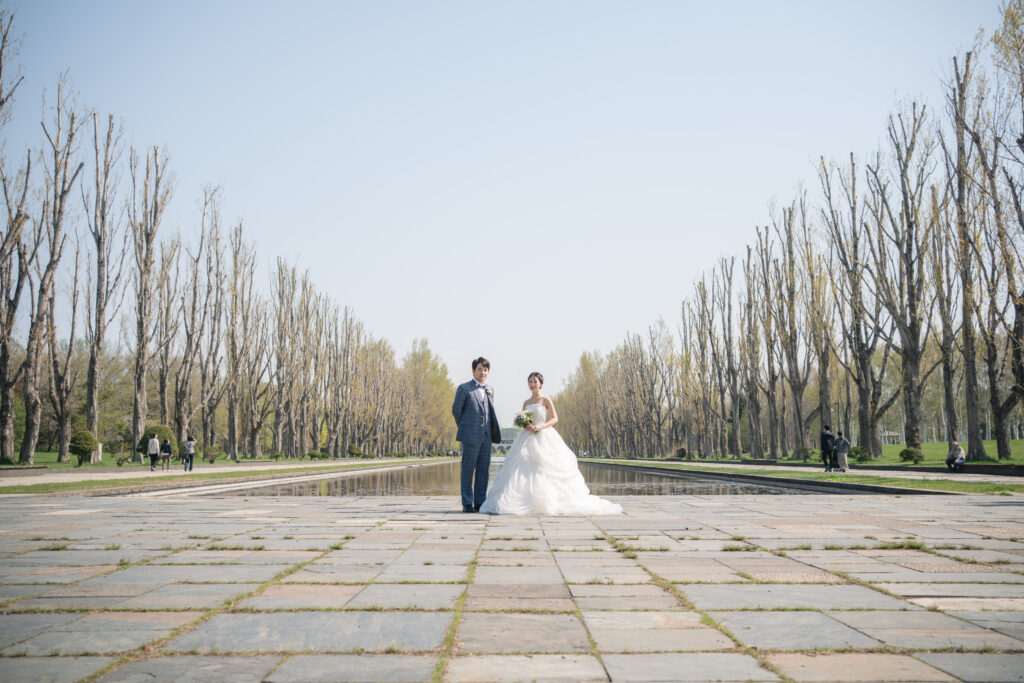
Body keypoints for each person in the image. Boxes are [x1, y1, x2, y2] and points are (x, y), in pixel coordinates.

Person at [480, 372, 622, 515]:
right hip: (527, 436)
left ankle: (546, 499)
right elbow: (523, 420)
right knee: (522, 465)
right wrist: (526, 425)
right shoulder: (526, 402)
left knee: (543, 465)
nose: (532, 384)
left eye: (535, 381)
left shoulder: (545, 400)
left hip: (543, 434)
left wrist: (541, 427)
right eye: (530, 381)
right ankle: (522, 499)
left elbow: (555, 419)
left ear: (540, 383)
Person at [451, 357, 501, 512]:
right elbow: (456, 410)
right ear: (473, 370)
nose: (482, 372)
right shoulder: (464, 388)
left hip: (486, 436)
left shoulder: (489, 390)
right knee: (467, 470)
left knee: (483, 470)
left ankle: (480, 502)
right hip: (470, 435)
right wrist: (465, 427)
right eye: (479, 369)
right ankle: (467, 503)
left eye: (485, 370)